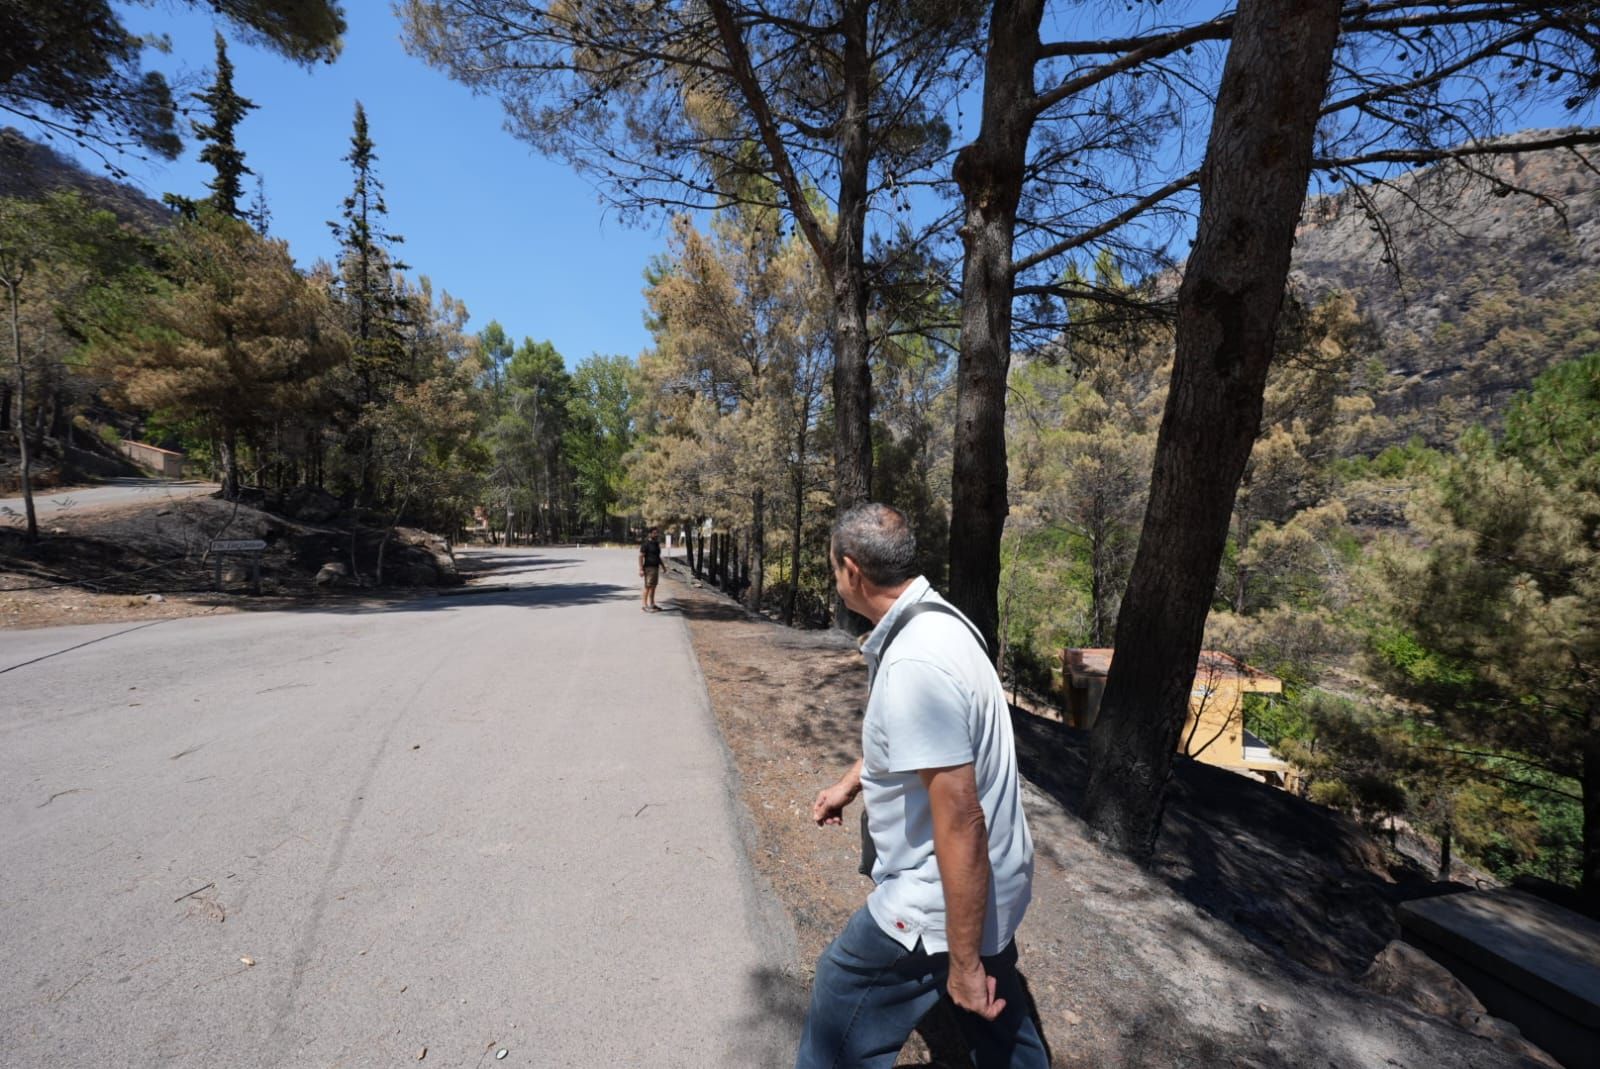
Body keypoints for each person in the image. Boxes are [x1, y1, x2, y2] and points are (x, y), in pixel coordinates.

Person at [798, 503, 1044, 1069]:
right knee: (993, 1012)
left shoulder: (915, 662)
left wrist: (961, 961)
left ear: (852, 571)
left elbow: (960, 820)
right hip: (997, 875)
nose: (836, 580)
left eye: (835, 569)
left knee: (842, 989)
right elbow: (922, 744)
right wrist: (849, 782)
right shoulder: (940, 621)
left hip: (936, 892)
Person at [638, 525, 663, 612]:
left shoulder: (656, 544)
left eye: (657, 533)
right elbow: (641, 556)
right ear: (650, 534)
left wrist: (663, 566)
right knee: (648, 586)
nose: (656, 534)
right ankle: (644, 605)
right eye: (654, 533)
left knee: (654, 586)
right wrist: (641, 569)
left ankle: (652, 604)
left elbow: (658, 556)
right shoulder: (645, 544)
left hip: (656, 568)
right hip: (648, 568)